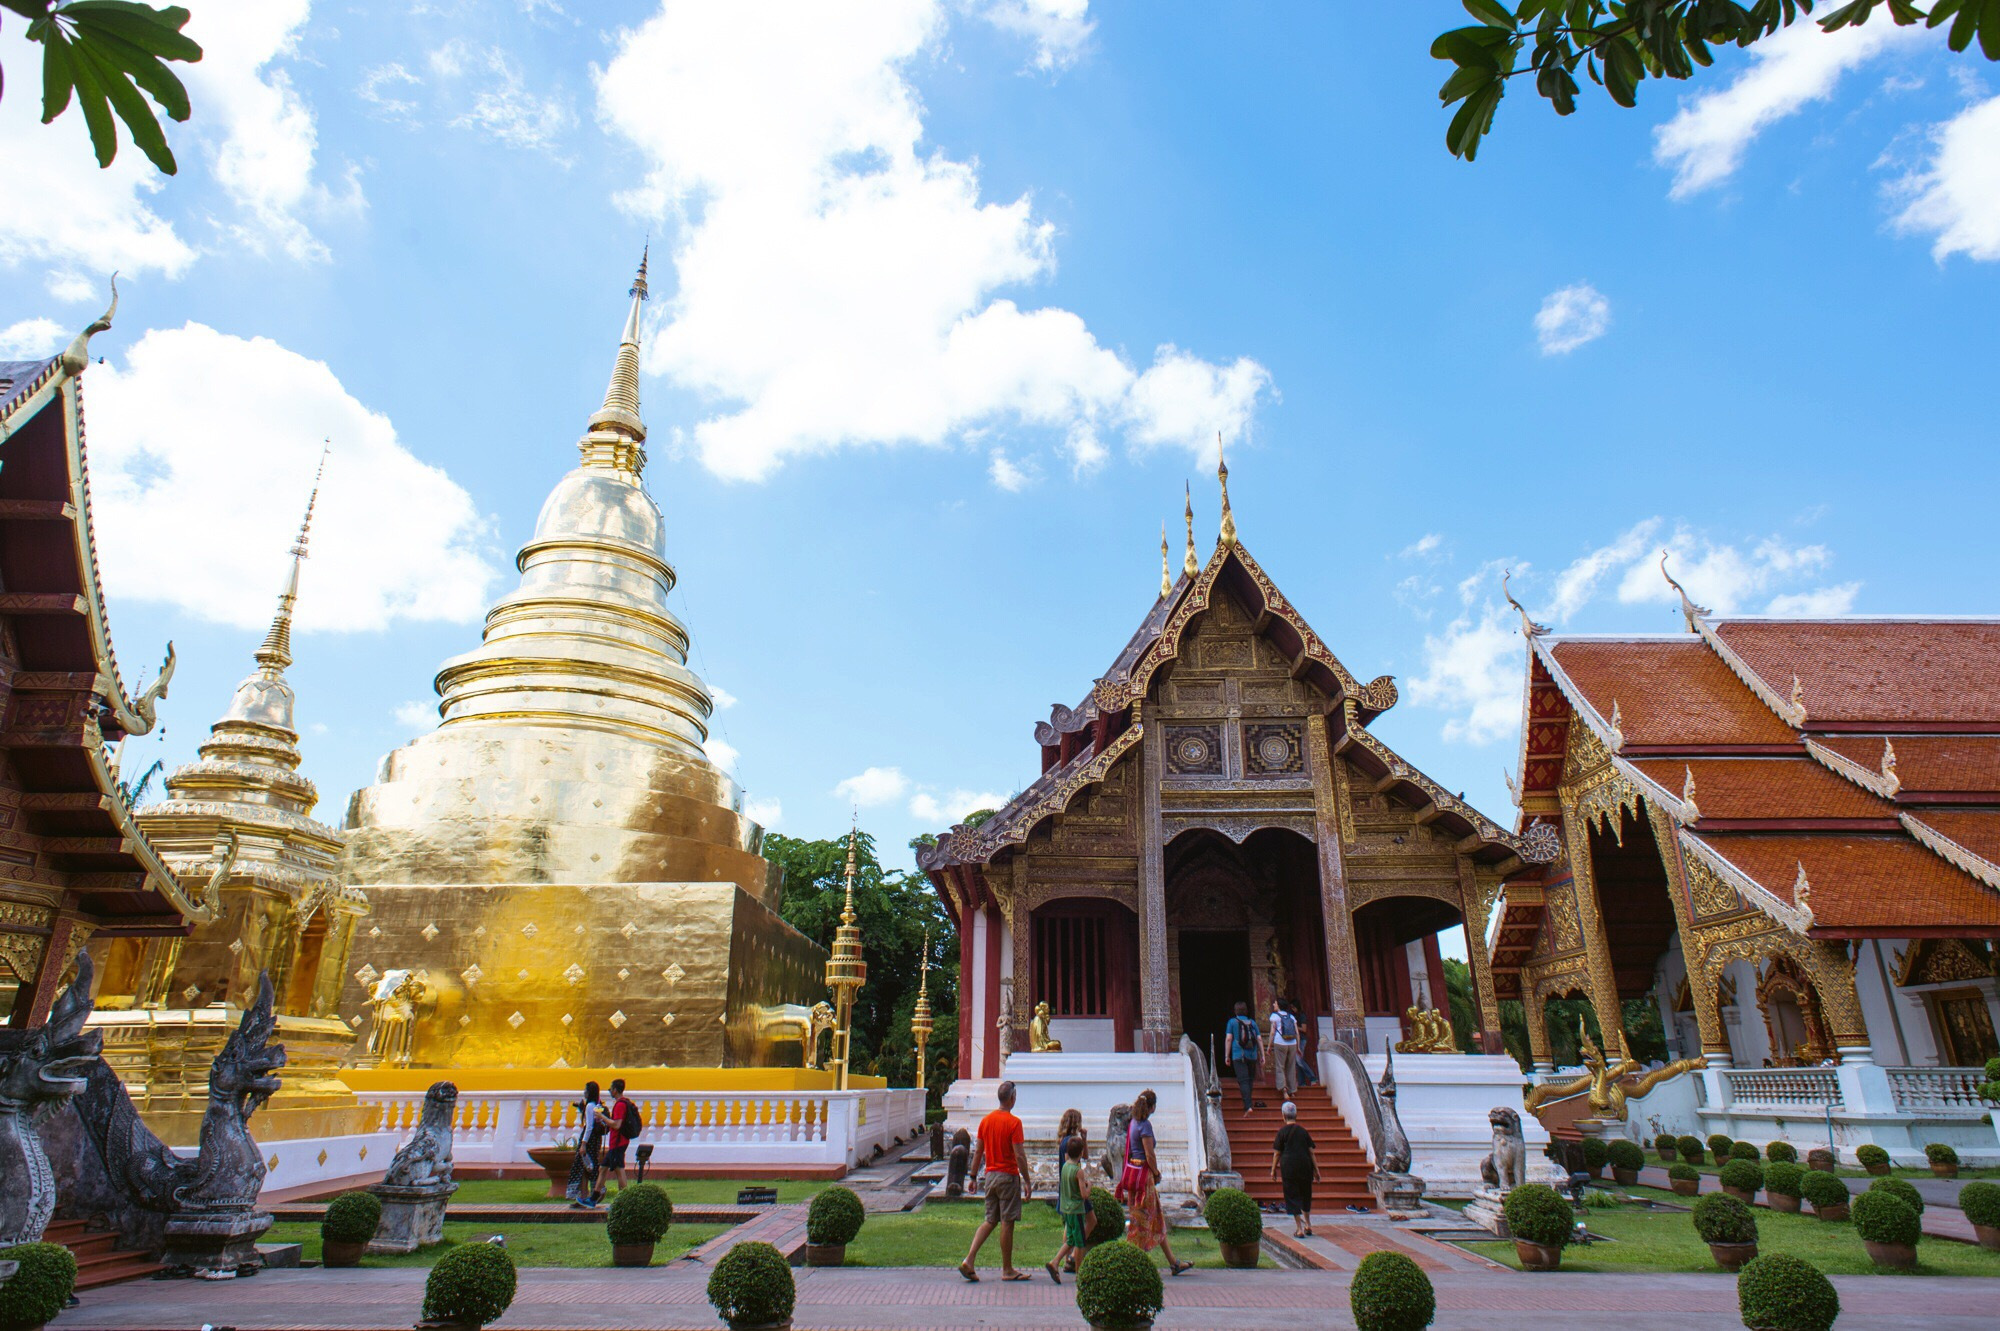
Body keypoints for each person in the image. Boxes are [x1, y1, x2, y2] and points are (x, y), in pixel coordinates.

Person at [960, 1080, 1032, 1282]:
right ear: (1012, 1099)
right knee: (1007, 1223)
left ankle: (969, 1259)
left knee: (990, 1220)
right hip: (1007, 1176)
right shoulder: (1014, 1123)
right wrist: (1026, 1180)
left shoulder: (986, 1121)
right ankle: (1007, 1269)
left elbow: (978, 1152)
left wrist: (973, 1177)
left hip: (990, 1176)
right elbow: (1019, 1155)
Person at [1123, 1089, 1194, 1276]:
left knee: (1155, 1219)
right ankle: (1132, 1262)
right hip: (1144, 1178)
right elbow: (1149, 1154)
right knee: (1142, 1220)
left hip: (1134, 1176)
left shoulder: (1133, 1123)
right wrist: (1156, 1172)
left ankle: (1173, 1262)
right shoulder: (1144, 1126)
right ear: (1152, 1107)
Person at [1269, 1099, 1320, 1238]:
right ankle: (1308, 1224)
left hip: (1289, 1167)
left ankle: (1299, 1228)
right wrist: (1316, 1170)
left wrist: (1273, 1170)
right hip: (1305, 1166)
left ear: (1283, 1116)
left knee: (1292, 1196)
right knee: (1305, 1194)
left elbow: (1277, 1153)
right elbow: (1311, 1152)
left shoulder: (1282, 1132)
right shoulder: (1303, 1131)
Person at [1045, 1135, 1089, 1283]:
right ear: (1081, 1153)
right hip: (1077, 1210)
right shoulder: (1078, 1171)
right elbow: (1083, 1194)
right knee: (1080, 1242)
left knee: (1070, 1239)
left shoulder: (1065, 1167)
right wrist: (1089, 1188)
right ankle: (1079, 1273)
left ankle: (1055, 1261)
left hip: (1066, 1208)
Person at [1053, 1107, 1092, 1273]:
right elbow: (1079, 1160)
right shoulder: (1070, 1142)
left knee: (1069, 1227)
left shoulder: (1066, 1141)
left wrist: (1084, 1139)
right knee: (1088, 1223)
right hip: (1075, 1188)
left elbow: (1085, 1156)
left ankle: (1068, 1258)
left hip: (1067, 1186)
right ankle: (1073, 1256)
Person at [564, 1080, 609, 1208]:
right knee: (586, 1168)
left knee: (585, 1166)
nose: (584, 1092)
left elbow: (589, 1126)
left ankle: (597, 1192)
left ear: (589, 1092)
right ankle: (584, 1197)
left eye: (585, 1090)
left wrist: (583, 1144)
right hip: (595, 1140)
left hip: (588, 1141)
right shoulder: (598, 1105)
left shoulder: (590, 1106)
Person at [600, 1078, 641, 1195]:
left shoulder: (620, 1105)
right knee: (603, 1168)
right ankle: (594, 1197)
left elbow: (617, 1124)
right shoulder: (623, 1103)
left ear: (615, 1090)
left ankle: (624, 1198)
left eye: (610, 1089)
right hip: (617, 1143)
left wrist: (602, 1117)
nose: (610, 1092)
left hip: (618, 1143)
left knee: (619, 1170)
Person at [1225, 1001, 1264, 1116]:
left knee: (1243, 1081)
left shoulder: (1232, 1022)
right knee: (1250, 1080)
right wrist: (1262, 1055)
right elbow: (1259, 1039)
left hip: (1238, 1055)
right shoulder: (1252, 1023)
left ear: (1235, 1011)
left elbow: (1228, 1039)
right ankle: (1248, 1104)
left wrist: (1227, 1055)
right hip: (1252, 1056)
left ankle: (1248, 1106)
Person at [1268, 998, 1300, 1101]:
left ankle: (1284, 1090)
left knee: (1280, 1066)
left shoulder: (1275, 1016)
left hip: (1280, 1042)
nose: (1274, 1004)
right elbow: (1297, 1033)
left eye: (1275, 1003)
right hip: (1292, 1043)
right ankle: (1293, 1091)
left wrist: (1269, 1046)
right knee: (1291, 1066)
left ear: (1279, 1005)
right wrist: (1298, 1046)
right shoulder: (1291, 1016)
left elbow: (1272, 1032)